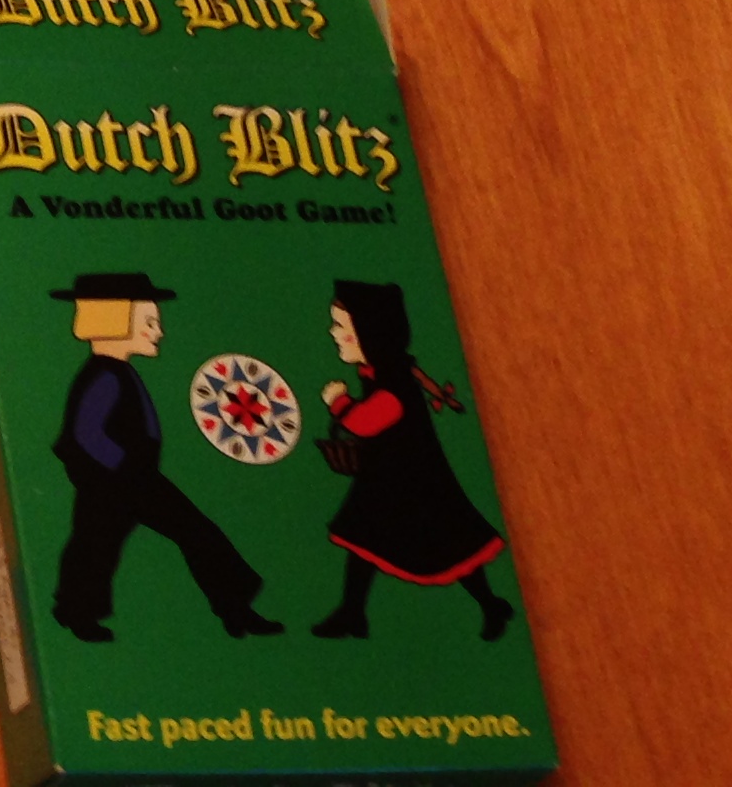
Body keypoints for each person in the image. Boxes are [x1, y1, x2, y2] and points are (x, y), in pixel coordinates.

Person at [45, 273, 284, 641]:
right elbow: (86, 434)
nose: (159, 332)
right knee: (104, 544)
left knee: (107, 542)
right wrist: (124, 469)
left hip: (130, 478)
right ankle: (77, 613)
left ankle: (235, 609)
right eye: (149, 323)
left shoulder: (117, 371)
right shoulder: (105, 375)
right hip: (120, 482)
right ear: (115, 321)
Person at [310, 279, 515, 642]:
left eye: (341, 326)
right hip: (385, 478)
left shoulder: (394, 381)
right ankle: (353, 612)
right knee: (362, 536)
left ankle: (490, 604)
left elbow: (368, 421)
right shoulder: (382, 371)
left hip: (415, 483)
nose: (333, 333)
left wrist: (339, 402)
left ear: (370, 333)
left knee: (448, 545)